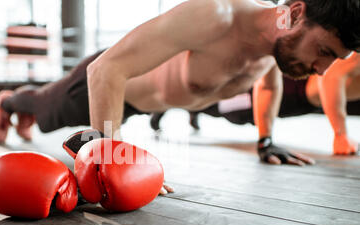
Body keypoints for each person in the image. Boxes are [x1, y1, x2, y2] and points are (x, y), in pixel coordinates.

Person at [0, 0, 359, 169]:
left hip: (149, 104)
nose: (324, 70)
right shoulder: (215, 15)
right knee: (43, 111)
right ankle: (9, 101)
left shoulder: (275, 50)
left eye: (334, 60)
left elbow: (268, 85)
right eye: (324, 51)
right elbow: (105, 70)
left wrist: (265, 140)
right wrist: (113, 157)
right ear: (294, 13)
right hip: (108, 85)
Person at [150, 52, 360, 158]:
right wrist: (340, 134)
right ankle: (168, 105)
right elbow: (331, 77)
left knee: (231, 112)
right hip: (285, 90)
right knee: (225, 107)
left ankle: (192, 109)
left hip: (297, 105)